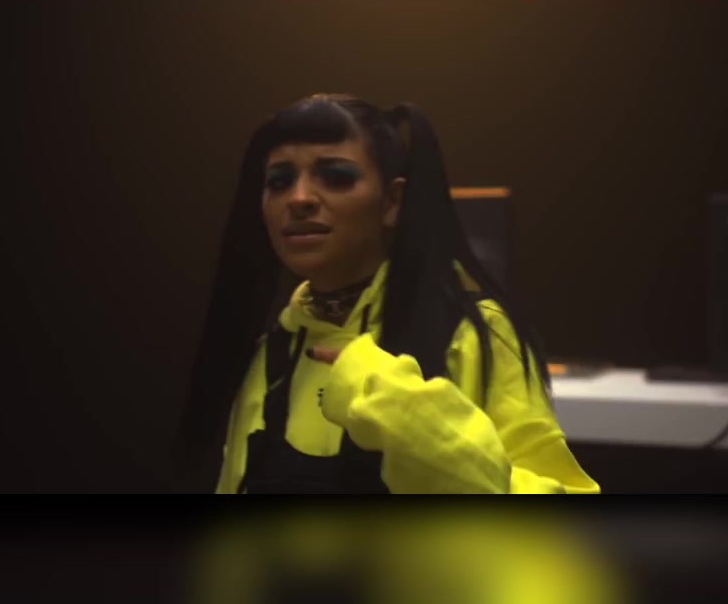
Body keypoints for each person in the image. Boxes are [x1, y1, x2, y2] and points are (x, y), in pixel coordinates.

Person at [176, 93, 599, 494]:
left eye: (336, 177)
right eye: (279, 181)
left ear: (393, 201)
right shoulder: (273, 354)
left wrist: (413, 420)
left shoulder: (472, 334)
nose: (299, 198)